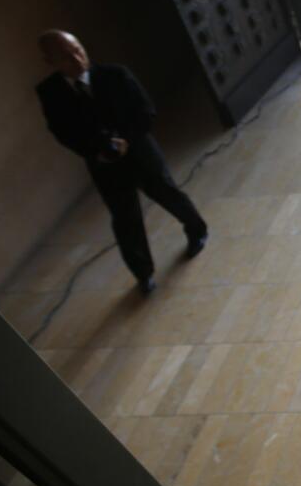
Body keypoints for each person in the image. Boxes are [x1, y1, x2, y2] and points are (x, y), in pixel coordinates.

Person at [34, 30, 208, 294]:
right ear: (51, 62)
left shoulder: (116, 74)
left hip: (139, 150)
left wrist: (126, 138)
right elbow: (62, 131)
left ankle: (197, 230)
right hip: (103, 163)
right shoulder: (49, 92)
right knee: (125, 218)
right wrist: (95, 151)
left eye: (78, 50)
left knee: (166, 191)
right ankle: (143, 273)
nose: (78, 59)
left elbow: (145, 111)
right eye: (67, 58)